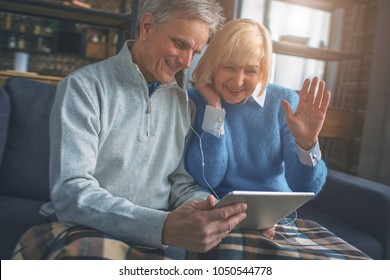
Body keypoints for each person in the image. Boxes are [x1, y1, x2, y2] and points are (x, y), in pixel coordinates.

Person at [12, 0, 249, 259]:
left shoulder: (183, 103)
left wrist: (210, 212)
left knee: (244, 248)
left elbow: (181, 184)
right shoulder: (83, 88)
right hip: (85, 228)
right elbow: (71, 192)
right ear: (146, 26)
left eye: (196, 51)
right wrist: (162, 227)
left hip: (160, 236)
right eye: (180, 44)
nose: (186, 61)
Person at [186, 18, 329, 200]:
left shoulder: (283, 102)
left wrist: (307, 144)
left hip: (275, 212)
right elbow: (208, 178)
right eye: (229, 67)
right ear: (214, 64)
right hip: (220, 211)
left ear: (262, 71)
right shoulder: (197, 100)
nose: (238, 82)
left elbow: (306, 187)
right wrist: (214, 110)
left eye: (251, 71)